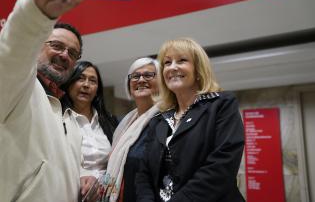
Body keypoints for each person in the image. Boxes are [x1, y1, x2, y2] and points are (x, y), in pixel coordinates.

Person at [136, 38, 245, 202]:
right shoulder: (158, 118)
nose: (172, 67)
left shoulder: (221, 104)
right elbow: (144, 171)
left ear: (198, 69)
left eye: (182, 60)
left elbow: (221, 167)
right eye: (167, 62)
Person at [0, 0, 83, 202]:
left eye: (73, 53)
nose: (64, 55)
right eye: (56, 45)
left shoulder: (70, 116)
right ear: (38, 44)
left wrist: (83, 176)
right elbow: (12, 55)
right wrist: (36, 13)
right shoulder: (17, 87)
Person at [96, 57, 160, 202]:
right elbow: (112, 163)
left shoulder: (166, 119)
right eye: (135, 76)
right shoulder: (123, 123)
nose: (141, 80)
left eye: (149, 75)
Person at [60, 61, 118, 197]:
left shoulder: (109, 121)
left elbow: (112, 167)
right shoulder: (58, 118)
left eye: (92, 81)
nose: (86, 85)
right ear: (69, 83)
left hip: (107, 196)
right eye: (80, 78)